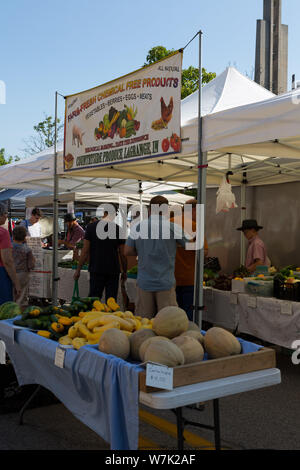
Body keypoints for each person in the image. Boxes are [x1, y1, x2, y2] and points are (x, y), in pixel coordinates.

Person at [124, 195, 194, 319]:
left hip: (144, 282)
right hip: (165, 283)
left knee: (144, 323)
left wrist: (142, 251)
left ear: (150, 209)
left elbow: (128, 251)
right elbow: (190, 246)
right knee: (168, 324)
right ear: (166, 210)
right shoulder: (174, 227)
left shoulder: (138, 227)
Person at [73, 206, 127, 302]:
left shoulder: (91, 227)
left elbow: (85, 251)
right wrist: (124, 271)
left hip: (96, 269)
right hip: (113, 270)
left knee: (94, 301)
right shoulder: (118, 229)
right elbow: (123, 254)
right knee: (111, 302)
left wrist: (78, 270)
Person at [171, 198, 208, 321]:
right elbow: (204, 252)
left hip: (169, 277)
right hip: (190, 278)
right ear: (193, 210)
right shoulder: (195, 226)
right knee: (187, 316)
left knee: (171, 316)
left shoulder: (168, 223)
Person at [0, 203, 21, 304]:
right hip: (1, 274)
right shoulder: (3, 233)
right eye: (5, 214)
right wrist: (16, 283)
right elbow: (7, 260)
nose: (6, 217)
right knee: (4, 310)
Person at [12, 225, 35, 307]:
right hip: (23, 274)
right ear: (25, 237)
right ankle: (19, 313)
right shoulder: (27, 249)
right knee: (22, 296)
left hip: (10, 273)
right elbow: (31, 265)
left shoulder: (9, 247)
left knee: (11, 295)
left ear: (13, 236)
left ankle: (10, 311)